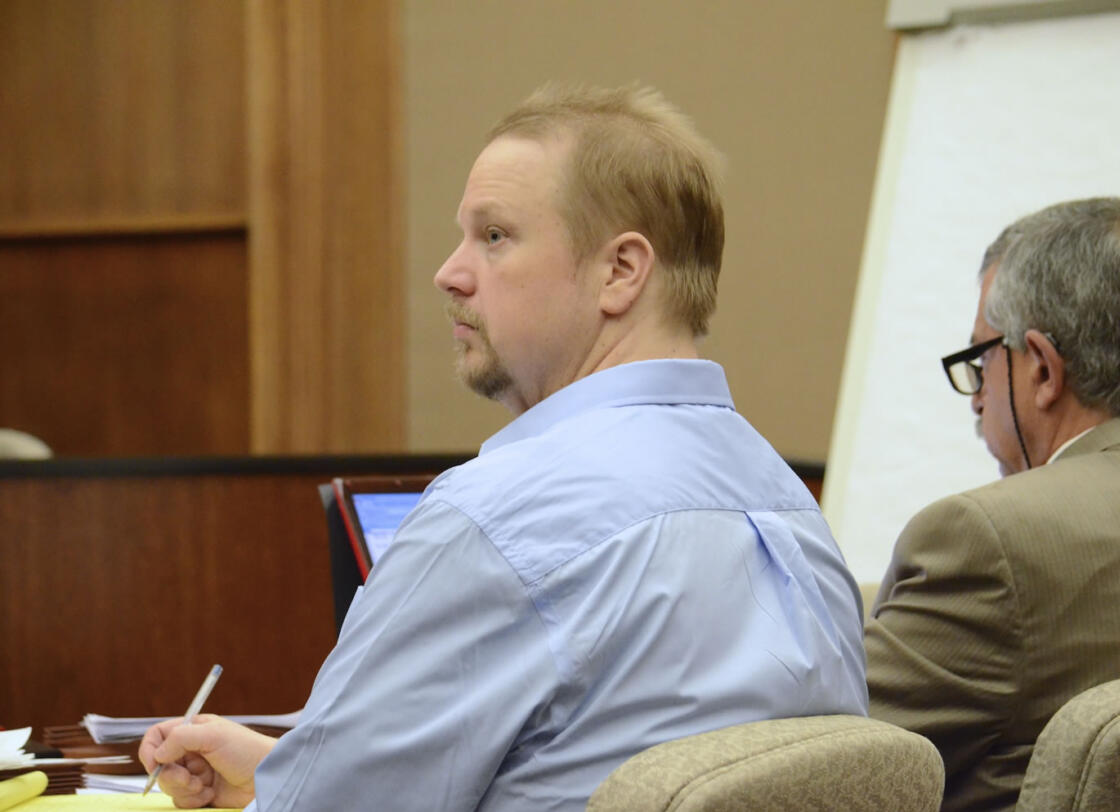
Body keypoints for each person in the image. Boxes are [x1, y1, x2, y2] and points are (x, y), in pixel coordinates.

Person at [140, 84, 868, 811]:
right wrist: (282, 774)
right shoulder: (793, 513)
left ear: (620, 272)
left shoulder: (495, 521)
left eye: (494, 237)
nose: (450, 273)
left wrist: (290, 793)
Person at [864, 196, 1120, 811]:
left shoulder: (987, 542)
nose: (976, 399)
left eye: (982, 358)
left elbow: (810, 767)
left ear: (1043, 372)